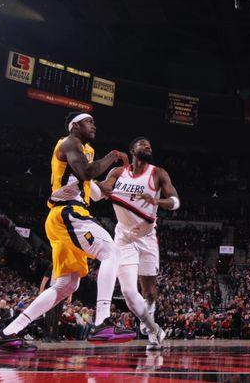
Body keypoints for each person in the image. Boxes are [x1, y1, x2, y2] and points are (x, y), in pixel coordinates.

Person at [0, 112, 135, 352]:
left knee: (66, 286)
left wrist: (114, 176)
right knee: (110, 251)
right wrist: (111, 157)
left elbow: (99, 191)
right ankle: (102, 323)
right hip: (67, 213)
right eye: (90, 122)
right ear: (75, 125)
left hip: (65, 217)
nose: (94, 126)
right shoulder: (69, 143)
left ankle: (7, 333)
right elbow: (88, 173)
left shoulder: (82, 157)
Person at [98, 137, 179, 350]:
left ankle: (151, 320)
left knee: (149, 292)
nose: (148, 147)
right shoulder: (117, 173)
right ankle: (154, 330)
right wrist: (98, 187)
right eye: (143, 144)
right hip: (124, 237)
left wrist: (157, 201)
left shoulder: (158, 173)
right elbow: (103, 189)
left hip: (147, 237)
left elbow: (175, 201)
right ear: (133, 149)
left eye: (150, 145)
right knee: (127, 291)